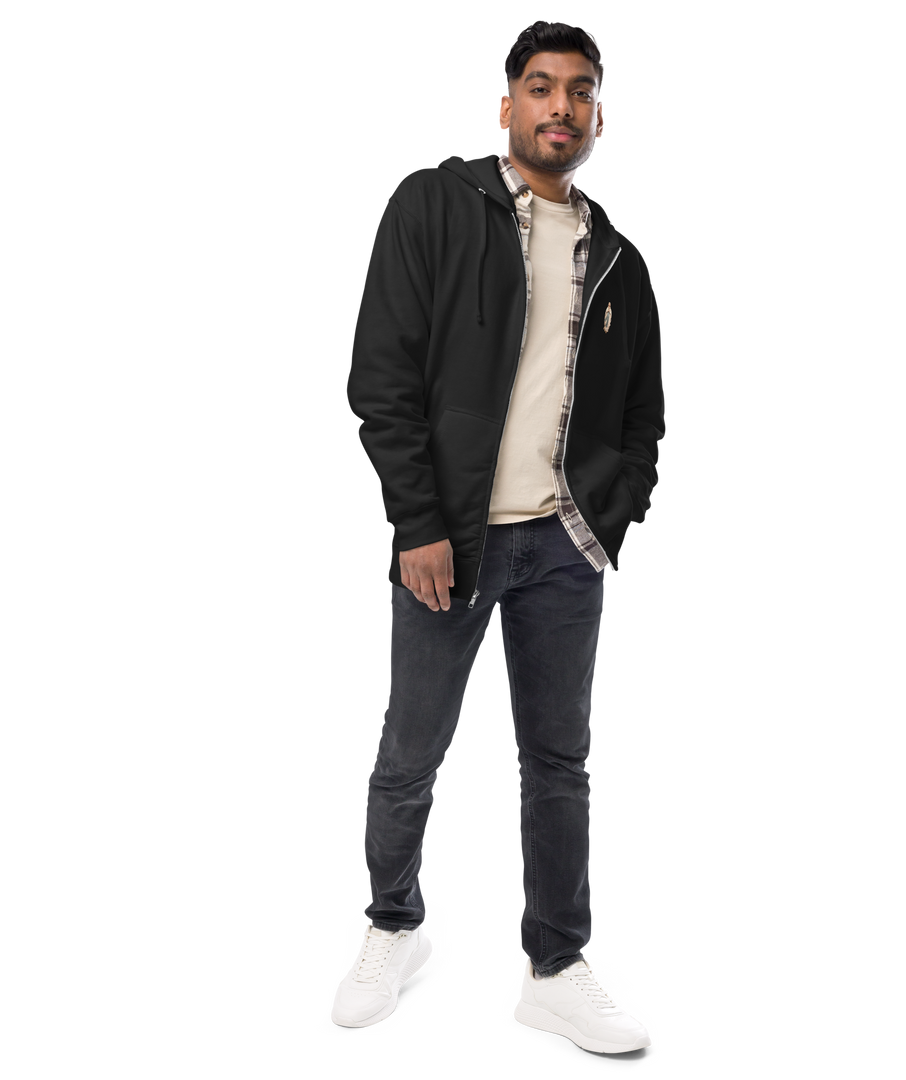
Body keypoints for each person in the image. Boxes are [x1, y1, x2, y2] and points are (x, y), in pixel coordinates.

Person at [334, 18, 665, 1054]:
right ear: (504, 106)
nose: (562, 107)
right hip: (451, 542)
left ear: (600, 117)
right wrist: (418, 521)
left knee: (561, 763)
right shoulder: (432, 202)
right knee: (410, 755)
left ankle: (556, 968)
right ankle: (393, 928)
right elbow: (381, 376)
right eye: (541, 86)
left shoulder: (621, 258)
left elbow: (643, 414)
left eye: (582, 91)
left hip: (567, 550)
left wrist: (614, 510)